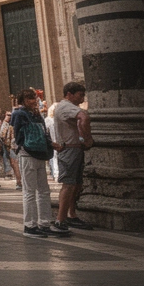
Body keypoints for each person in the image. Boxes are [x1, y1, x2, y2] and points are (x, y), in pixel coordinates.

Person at [10, 88, 68, 238]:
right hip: (27, 154)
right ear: (22, 101)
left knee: (43, 190)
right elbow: (16, 134)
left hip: (39, 153)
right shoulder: (19, 113)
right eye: (29, 98)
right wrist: (22, 147)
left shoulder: (37, 114)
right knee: (30, 191)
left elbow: (44, 133)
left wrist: (51, 144)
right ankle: (30, 225)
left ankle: (44, 223)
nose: (33, 101)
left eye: (34, 98)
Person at [51, 81, 93, 232]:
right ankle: (60, 220)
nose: (82, 99)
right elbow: (84, 117)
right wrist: (87, 138)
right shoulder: (66, 107)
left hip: (73, 149)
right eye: (80, 95)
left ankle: (71, 215)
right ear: (69, 94)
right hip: (70, 150)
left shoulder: (64, 107)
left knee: (75, 184)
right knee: (68, 184)